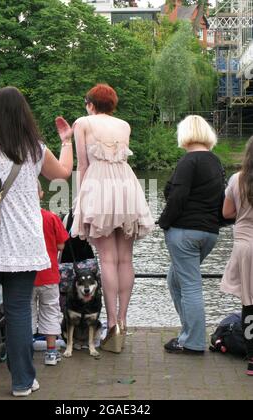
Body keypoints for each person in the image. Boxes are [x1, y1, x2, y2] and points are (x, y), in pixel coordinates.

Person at [0, 86, 73, 397]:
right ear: (23, 114)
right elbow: (63, 173)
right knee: (19, 312)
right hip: (26, 244)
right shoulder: (34, 148)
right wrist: (67, 142)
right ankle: (22, 382)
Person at [70, 83, 154, 353]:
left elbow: (82, 164)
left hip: (99, 185)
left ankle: (112, 323)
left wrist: (80, 198)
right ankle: (123, 323)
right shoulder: (124, 125)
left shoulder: (82, 122)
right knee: (125, 258)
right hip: (126, 186)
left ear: (91, 103)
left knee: (106, 257)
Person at [158, 115, 223, 355]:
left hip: (184, 232)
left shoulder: (188, 161)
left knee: (190, 286)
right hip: (208, 233)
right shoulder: (216, 162)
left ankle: (193, 342)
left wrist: (164, 222)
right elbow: (220, 199)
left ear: (184, 134)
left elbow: (178, 197)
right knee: (174, 280)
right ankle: (187, 333)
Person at [220, 137, 253, 376]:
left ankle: (252, 358)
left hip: (244, 246)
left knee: (249, 303)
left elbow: (227, 212)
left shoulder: (236, 179)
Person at [32, 181, 69, 366]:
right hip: (49, 275)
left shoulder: (19, 218)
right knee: (50, 311)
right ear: (41, 194)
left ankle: (26, 350)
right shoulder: (51, 217)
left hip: (26, 277)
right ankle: (51, 352)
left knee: (26, 313)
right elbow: (62, 244)